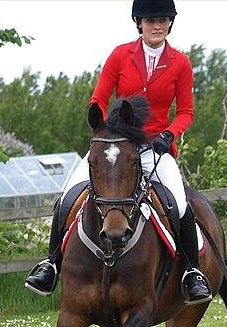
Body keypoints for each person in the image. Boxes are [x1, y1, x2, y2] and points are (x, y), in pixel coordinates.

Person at [25, 0, 212, 304]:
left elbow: (186, 112)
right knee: (67, 196)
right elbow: (98, 99)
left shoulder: (180, 62)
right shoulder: (120, 55)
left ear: (170, 24)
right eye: (151, 20)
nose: (158, 26)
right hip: (115, 145)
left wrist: (170, 134)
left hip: (155, 148)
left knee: (178, 204)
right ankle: (51, 265)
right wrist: (102, 129)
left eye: (164, 20)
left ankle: (191, 273)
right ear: (139, 22)